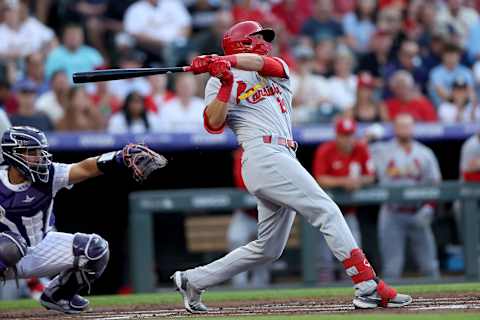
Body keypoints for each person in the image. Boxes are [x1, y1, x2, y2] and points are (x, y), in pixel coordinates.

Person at [171, 20, 412, 313]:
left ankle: (193, 280)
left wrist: (223, 60)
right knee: (326, 209)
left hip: (283, 154)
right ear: (241, 41)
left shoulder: (276, 70)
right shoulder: (218, 79)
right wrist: (224, 84)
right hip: (261, 153)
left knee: (268, 249)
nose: (263, 41)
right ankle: (366, 285)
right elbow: (213, 124)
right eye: (256, 37)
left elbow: (260, 62)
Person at [0, 126, 167, 313]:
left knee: (95, 249)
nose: (39, 158)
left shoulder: (49, 175)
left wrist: (119, 157)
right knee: (12, 245)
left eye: (39, 152)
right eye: (31, 152)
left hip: (40, 246)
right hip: (6, 256)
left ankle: (58, 296)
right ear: (12, 154)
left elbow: (85, 168)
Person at [371, 114, 441, 280]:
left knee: (429, 265)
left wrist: (429, 207)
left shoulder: (425, 153)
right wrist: (369, 136)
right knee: (392, 267)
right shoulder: (380, 150)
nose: (405, 129)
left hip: (418, 211)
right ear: (394, 128)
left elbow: (436, 184)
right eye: (401, 126)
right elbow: (356, 149)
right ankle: (392, 303)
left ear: (413, 128)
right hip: (392, 212)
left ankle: (437, 302)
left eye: (408, 126)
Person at [312, 118, 375, 282]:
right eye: (343, 135)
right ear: (337, 135)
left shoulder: (361, 148)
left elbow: (371, 176)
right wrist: (344, 182)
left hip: (349, 213)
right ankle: (323, 292)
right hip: (326, 214)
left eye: (350, 135)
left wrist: (358, 181)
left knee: (353, 254)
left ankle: (351, 289)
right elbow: (319, 178)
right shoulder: (326, 150)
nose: (347, 139)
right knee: (324, 259)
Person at [228, 148, 270, 288]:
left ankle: (260, 286)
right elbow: (242, 183)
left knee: (267, 249)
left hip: (268, 212)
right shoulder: (241, 154)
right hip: (246, 214)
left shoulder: (273, 151)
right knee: (236, 238)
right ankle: (239, 286)